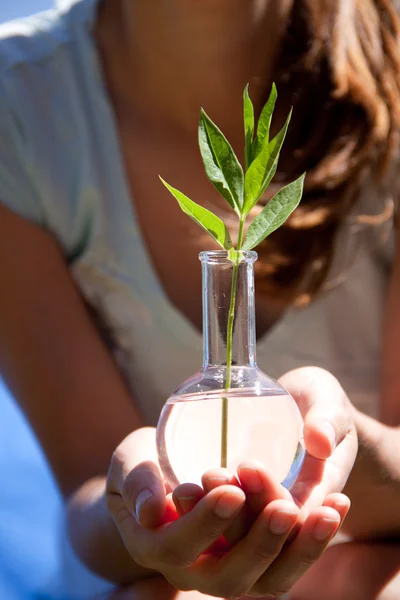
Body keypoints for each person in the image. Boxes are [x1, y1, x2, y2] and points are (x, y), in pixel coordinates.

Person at [1, 0, 400, 598]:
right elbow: (86, 488)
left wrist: (341, 449)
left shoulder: (386, 60)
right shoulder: (22, 101)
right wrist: (142, 510)